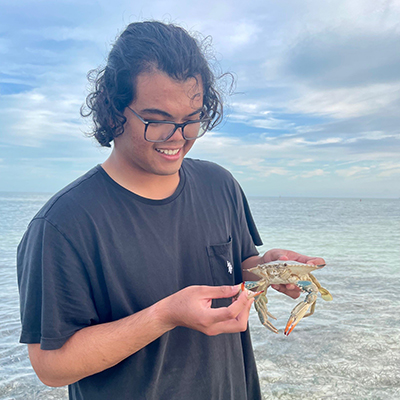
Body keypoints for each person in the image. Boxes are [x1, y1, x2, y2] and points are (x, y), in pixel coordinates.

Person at [17, 21, 325, 400]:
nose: (178, 137)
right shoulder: (64, 224)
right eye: (157, 120)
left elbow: (238, 262)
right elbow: (51, 365)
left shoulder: (219, 184)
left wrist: (265, 267)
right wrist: (164, 316)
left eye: (192, 119)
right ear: (114, 111)